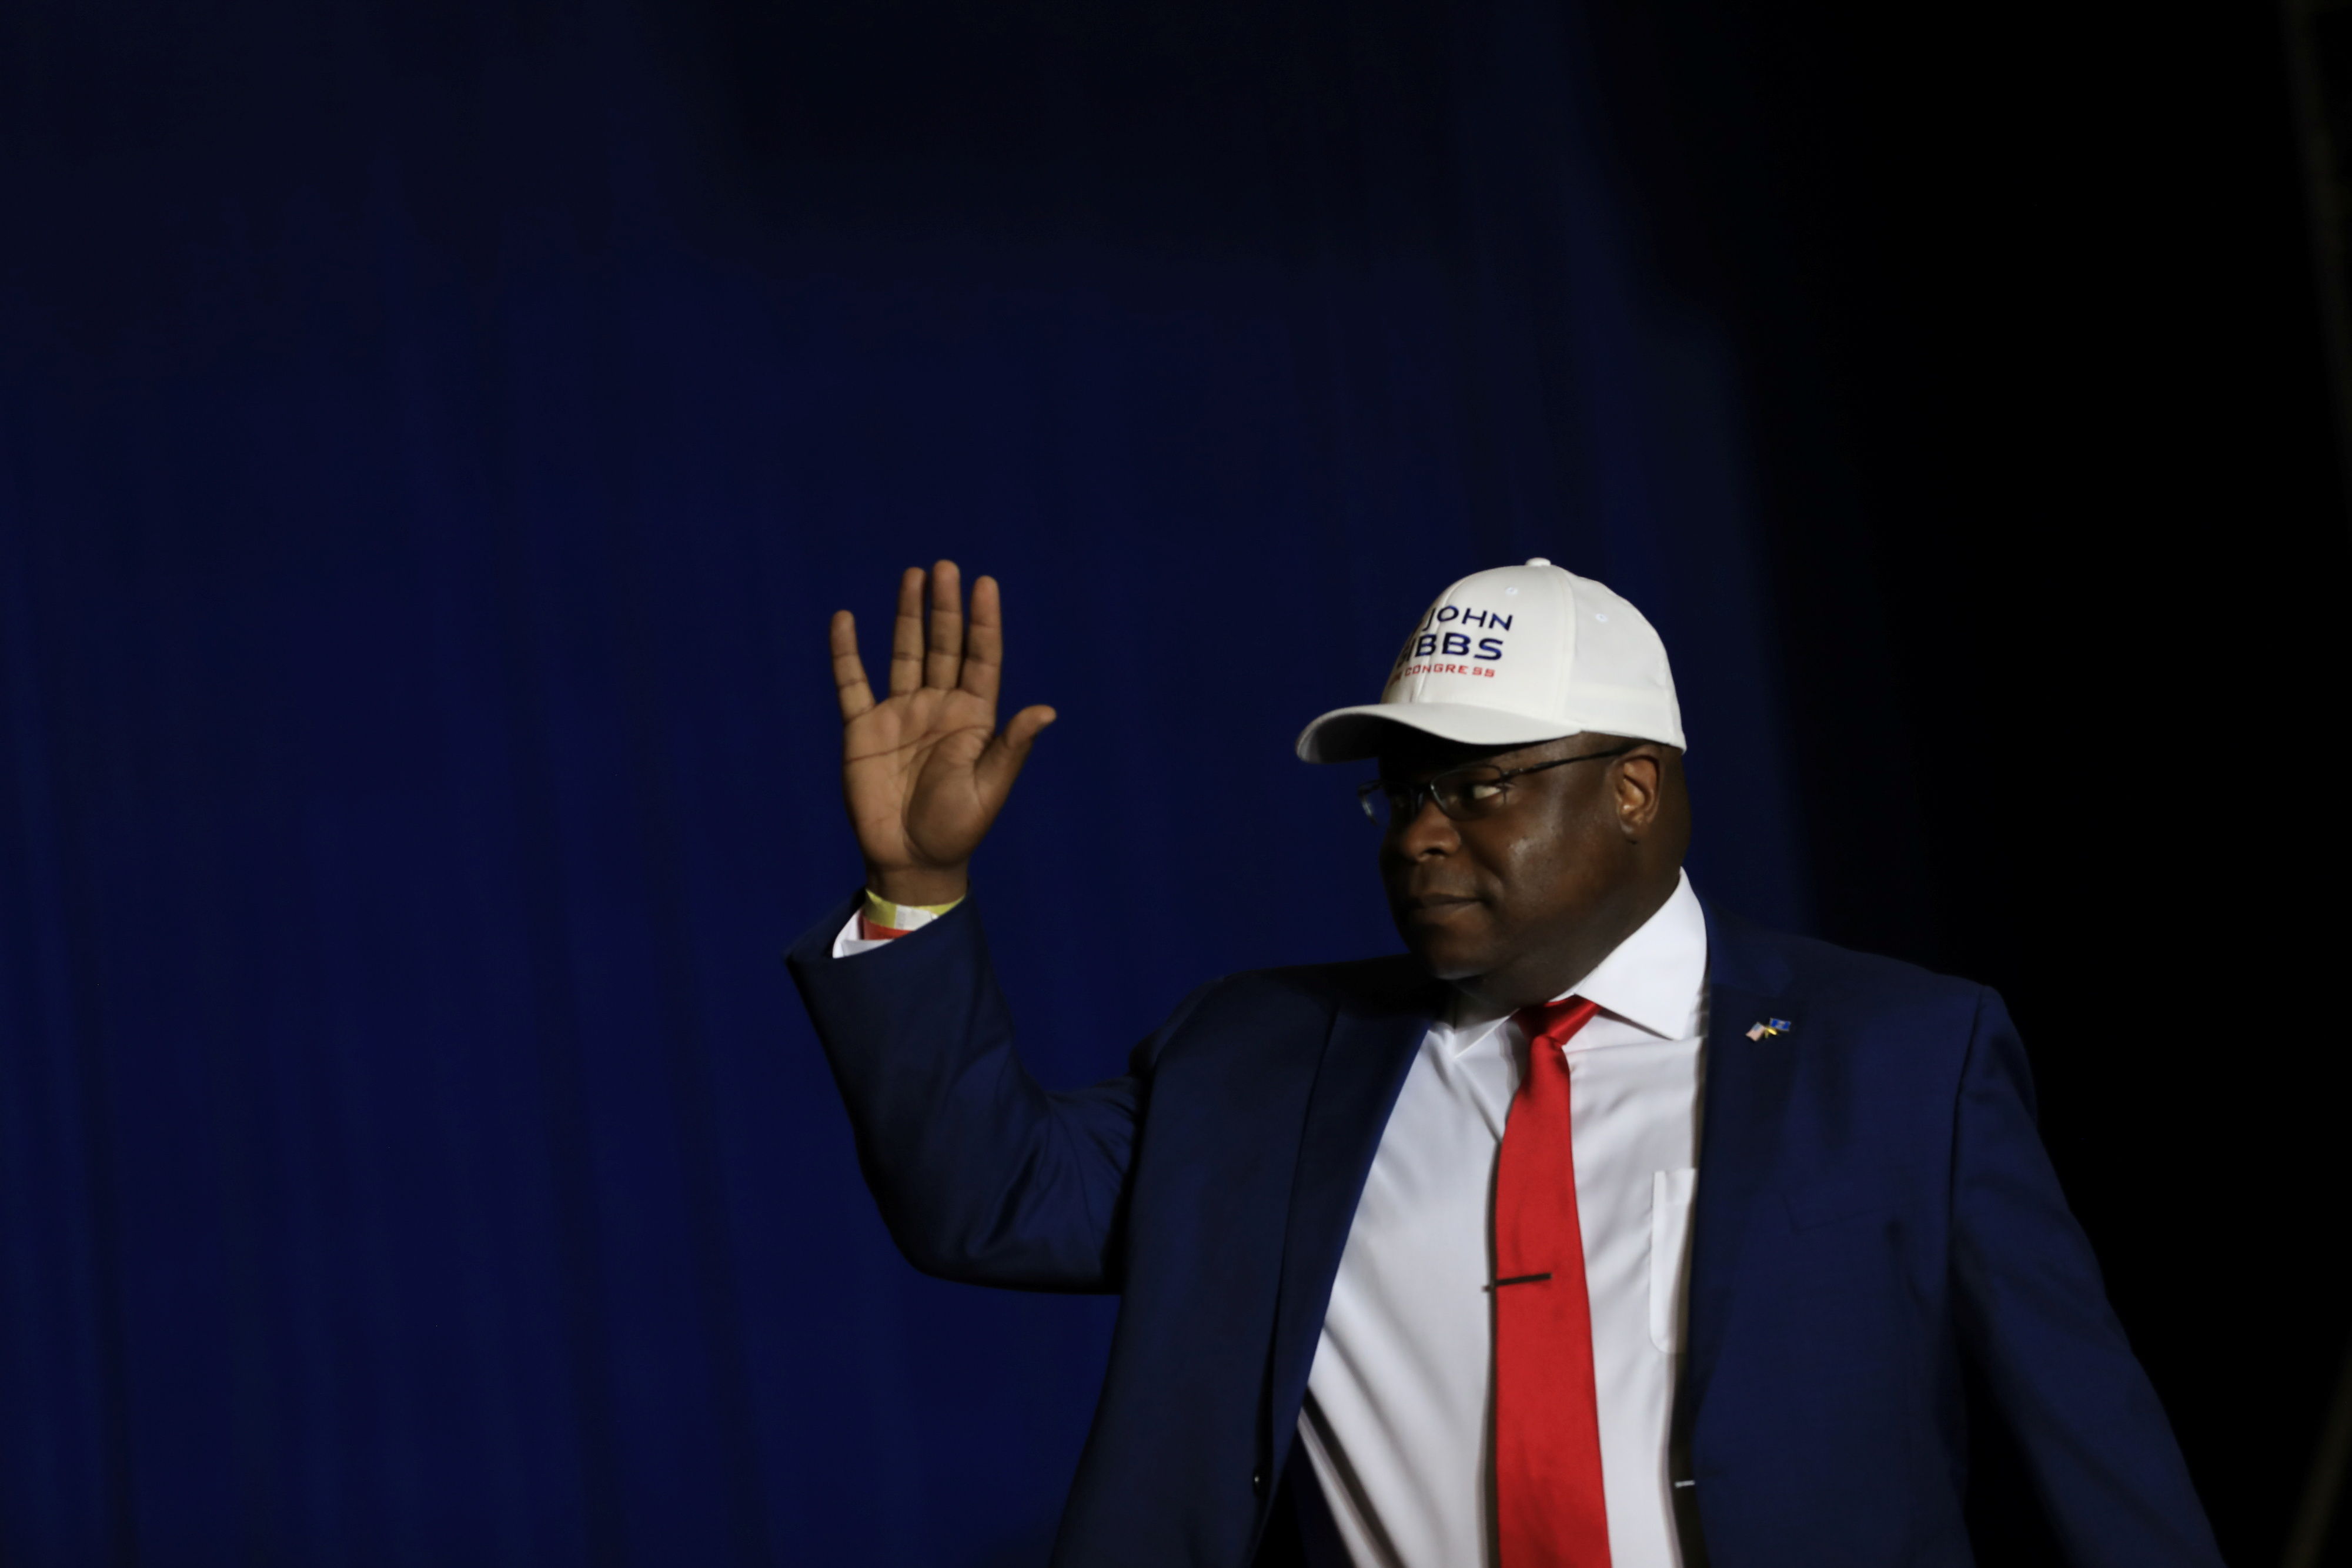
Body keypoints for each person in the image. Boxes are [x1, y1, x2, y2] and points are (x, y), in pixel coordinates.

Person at [787, 558, 2221, 1568]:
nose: (1418, 833)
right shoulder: (1262, 1058)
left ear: (1635, 790)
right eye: (1401, 790)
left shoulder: (1904, 1056)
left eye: (1477, 785)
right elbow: (983, 1200)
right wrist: (912, 887)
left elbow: (2092, 1464)